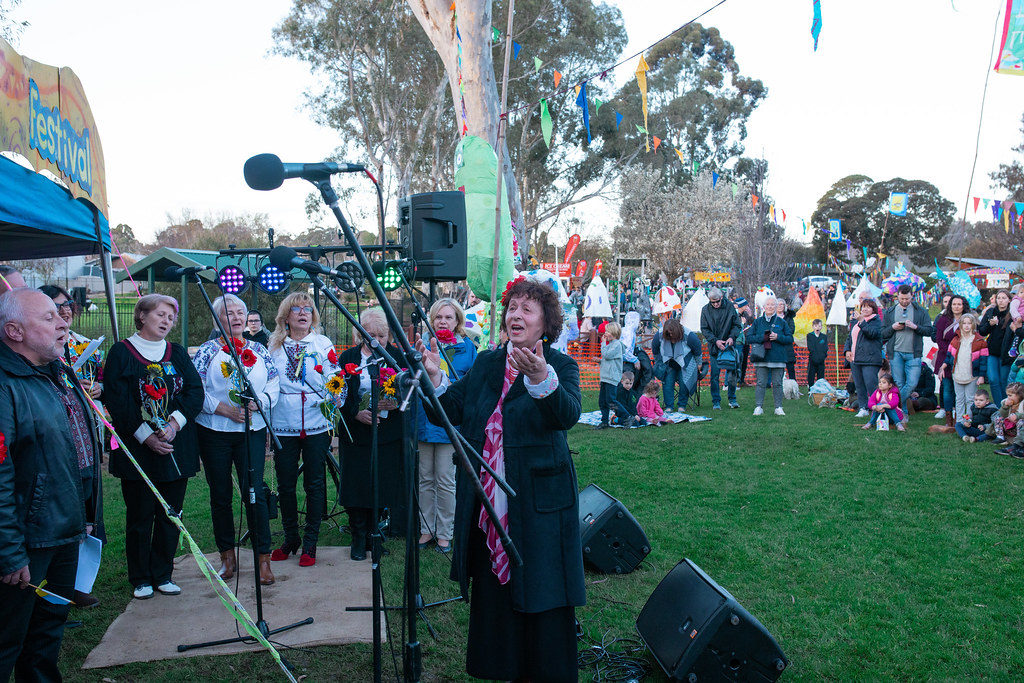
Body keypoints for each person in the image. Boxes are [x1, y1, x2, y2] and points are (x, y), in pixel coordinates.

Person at [419, 276, 583, 683]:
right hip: (487, 502)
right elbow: (452, 409)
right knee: (495, 587)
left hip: (538, 502)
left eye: (527, 309)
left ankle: (546, 671)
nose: (516, 315)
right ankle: (504, 667)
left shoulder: (561, 366)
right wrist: (436, 377)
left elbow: (567, 415)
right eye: (512, 308)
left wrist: (541, 380)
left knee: (541, 584)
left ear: (546, 322)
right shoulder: (489, 362)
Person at [0, 288, 100, 681]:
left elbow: (73, 452)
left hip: (64, 532)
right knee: (8, 641)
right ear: (14, 330)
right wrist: (9, 552)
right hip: (27, 542)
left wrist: (86, 519)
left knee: (46, 639)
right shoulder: (6, 383)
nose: (63, 324)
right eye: (49, 317)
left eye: (62, 314)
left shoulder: (56, 372)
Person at [105, 294, 205, 599]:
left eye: (171, 317)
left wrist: (173, 424)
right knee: (140, 516)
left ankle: (163, 573)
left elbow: (194, 392)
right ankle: (141, 578)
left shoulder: (176, 353)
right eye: (160, 314)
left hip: (174, 447)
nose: (166, 321)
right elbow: (117, 401)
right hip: (139, 451)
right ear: (142, 316)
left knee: (171, 515)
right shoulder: (122, 352)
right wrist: (145, 435)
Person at [192, 294, 280, 585]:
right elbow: (196, 389)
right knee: (220, 495)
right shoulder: (206, 351)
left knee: (253, 491)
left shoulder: (259, 349)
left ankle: (263, 559)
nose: (237, 317)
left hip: (250, 431)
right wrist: (224, 409)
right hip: (215, 430)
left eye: (241, 311)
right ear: (218, 319)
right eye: (229, 312)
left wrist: (260, 401)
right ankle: (227, 558)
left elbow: (273, 381)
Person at [267, 293, 341, 568]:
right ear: (285, 316)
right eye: (296, 309)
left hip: (315, 422)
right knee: (286, 484)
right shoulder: (274, 345)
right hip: (283, 423)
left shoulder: (322, 344)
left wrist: (336, 396)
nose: (302, 313)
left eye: (307, 309)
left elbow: (335, 377)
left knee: (315, 483)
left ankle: (311, 541)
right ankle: (291, 538)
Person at [338, 307, 406, 561]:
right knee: (356, 485)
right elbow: (337, 393)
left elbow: (410, 389)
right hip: (356, 434)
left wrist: (396, 402)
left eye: (382, 334)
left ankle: (373, 535)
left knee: (382, 483)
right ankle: (357, 536)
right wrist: (356, 412)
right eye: (371, 334)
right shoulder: (348, 358)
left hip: (387, 434)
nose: (377, 339)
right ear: (360, 334)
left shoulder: (397, 357)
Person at [417, 298, 477, 554]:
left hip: (449, 422)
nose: (443, 321)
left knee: (444, 478)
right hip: (424, 418)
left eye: (448, 317)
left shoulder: (467, 348)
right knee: (424, 478)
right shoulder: (421, 346)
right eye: (439, 317)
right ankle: (426, 528)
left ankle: (445, 532)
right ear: (432, 320)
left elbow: (471, 386)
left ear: (458, 321)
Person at [880, 284, 935, 418]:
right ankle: (903, 413)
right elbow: (882, 333)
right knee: (899, 383)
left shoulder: (920, 311)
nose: (905, 301)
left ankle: (892, 403)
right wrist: (892, 327)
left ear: (912, 296)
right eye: (902, 298)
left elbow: (929, 330)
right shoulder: (890, 312)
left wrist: (915, 327)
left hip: (913, 352)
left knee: (912, 383)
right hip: (895, 352)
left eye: (907, 299)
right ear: (897, 296)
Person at [748, 296, 793, 416]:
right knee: (761, 382)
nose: (770, 307)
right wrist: (762, 338)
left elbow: (790, 338)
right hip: (761, 358)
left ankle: (778, 407)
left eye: (772, 305)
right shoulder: (757, 322)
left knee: (778, 383)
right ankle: (758, 407)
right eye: (767, 305)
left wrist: (778, 337)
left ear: (776, 307)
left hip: (778, 358)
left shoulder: (781, 322)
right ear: (764, 307)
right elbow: (749, 337)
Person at [700, 286, 741, 410]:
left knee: (732, 374)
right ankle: (716, 401)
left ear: (721, 297)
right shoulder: (705, 310)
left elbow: (737, 325)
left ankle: (732, 399)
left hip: (729, 346)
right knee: (715, 376)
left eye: (717, 301)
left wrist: (731, 338)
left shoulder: (729, 307)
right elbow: (704, 329)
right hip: (714, 347)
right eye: (713, 302)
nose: (716, 304)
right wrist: (715, 341)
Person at [944, 313, 988, 427]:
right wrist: (944, 365)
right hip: (958, 373)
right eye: (964, 323)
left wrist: (982, 375)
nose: (967, 326)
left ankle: (968, 421)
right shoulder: (955, 340)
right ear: (960, 325)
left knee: (970, 399)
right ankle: (959, 421)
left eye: (969, 323)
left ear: (973, 325)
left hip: (972, 374)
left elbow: (983, 361)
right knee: (959, 399)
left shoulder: (980, 342)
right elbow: (949, 355)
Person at [844, 299, 884, 418]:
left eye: (868, 307)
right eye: (863, 307)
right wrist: (847, 350)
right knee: (859, 385)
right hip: (855, 359)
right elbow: (849, 338)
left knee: (871, 384)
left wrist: (862, 321)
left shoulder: (876, 320)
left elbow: (872, 333)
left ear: (873, 309)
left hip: (870, 359)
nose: (865, 309)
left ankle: (877, 408)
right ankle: (863, 407)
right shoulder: (855, 322)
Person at [932, 295, 968, 426]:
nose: (956, 307)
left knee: (959, 388)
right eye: (954, 304)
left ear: (963, 305)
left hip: (963, 357)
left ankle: (959, 414)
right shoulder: (943, 319)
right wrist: (949, 351)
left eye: (959, 304)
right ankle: (948, 416)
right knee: (947, 387)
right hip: (944, 355)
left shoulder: (968, 319)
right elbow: (938, 338)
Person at [978, 289, 1013, 406]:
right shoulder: (991, 312)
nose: (1001, 301)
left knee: (1004, 381)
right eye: (999, 298)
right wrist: (990, 324)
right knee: (993, 379)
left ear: (1009, 300)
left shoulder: (1013, 314)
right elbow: (982, 331)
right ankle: (999, 407)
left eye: (1004, 298)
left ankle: (1006, 406)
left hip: (1006, 353)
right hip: (992, 351)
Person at [658, 318, 701, 412]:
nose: (671, 335)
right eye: (668, 334)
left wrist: (699, 363)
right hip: (669, 363)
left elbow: (697, 349)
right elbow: (655, 349)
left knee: (684, 383)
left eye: (672, 333)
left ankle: (682, 405)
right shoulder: (660, 334)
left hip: (686, 363)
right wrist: (659, 361)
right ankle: (669, 406)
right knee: (668, 384)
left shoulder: (689, 335)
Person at [596, 321, 624, 429]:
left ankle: (626, 416)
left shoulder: (616, 345)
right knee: (602, 401)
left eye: (607, 331)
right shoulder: (611, 345)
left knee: (611, 400)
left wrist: (602, 343)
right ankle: (604, 421)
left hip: (611, 377)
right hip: (605, 377)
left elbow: (607, 355)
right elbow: (607, 359)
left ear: (613, 333)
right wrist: (599, 361)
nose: (605, 334)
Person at [777, 299, 797, 381]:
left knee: (790, 367)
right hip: (776, 346)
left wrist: (780, 333)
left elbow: (791, 330)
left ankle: (794, 385)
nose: (780, 306)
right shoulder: (772, 317)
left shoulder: (789, 318)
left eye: (782, 304)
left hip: (787, 346)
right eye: (778, 304)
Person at [734, 297, 753, 386]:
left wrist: (750, 315)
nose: (747, 306)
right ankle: (736, 380)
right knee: (737, 361)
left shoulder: (745, 314)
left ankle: (741, 380)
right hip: (738, 341)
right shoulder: (735, 315)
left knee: (744, 361)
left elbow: (752, 322)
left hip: (746, 341)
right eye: (745, 305)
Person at [806, 319, 829, 388]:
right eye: (816, 326)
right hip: (812, 360)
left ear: (821, 327)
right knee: (811, 376)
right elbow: (810, 348)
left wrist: (823, 356)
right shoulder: (810, 336)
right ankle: (811, 389)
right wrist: (814, 357)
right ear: (813, 327)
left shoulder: (824, 337)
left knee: (821, 377)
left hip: (821, 360)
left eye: (819, 326)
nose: (817, 328)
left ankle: (820, 390)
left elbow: (825, 348)